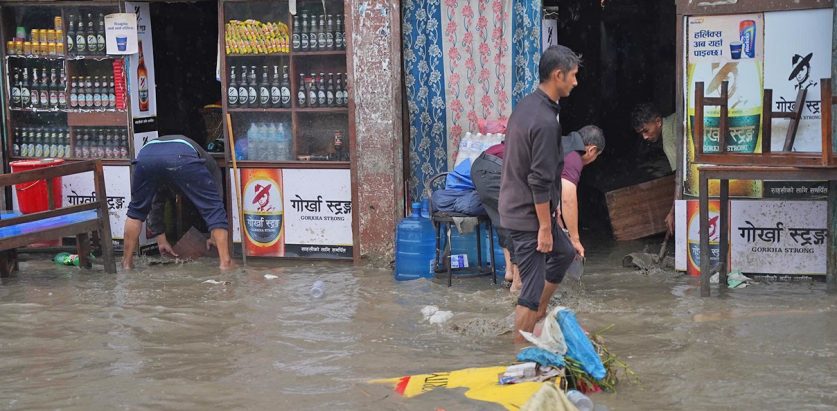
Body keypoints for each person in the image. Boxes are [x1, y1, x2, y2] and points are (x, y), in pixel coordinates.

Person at [499, 45, 580, 344]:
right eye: (572, 76)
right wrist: (545, 227)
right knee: (529, 291)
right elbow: (538, 180)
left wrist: (552, 219)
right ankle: (518, 354)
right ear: (558, 75)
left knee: (565, 253)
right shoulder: (545, 122)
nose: (575, 82)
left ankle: (538, 315)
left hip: (521, 208)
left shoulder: (529, 105)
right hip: (526, 217)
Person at [122, 134, 233, 270]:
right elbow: (215, 202)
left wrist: (160, 238)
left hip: (146, 156)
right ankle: (225, 262)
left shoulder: (166, 173)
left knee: (135, 211)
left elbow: (156, 200)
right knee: (213, 208)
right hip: (181, 155)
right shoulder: (211, 166)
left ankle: (127, 263)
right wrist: (213, 235)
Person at [559, 125, 605, 258]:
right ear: (592, 150)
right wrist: (575, 239)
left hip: (498, 163)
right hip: (501, 169)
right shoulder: (573, 157)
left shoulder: (563, 144)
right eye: (596, 155)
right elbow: (568, 200)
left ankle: (511, 274)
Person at [631, 103, 677, 234]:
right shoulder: (675, 118)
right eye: (641, 133)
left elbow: (679, 178)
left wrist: (673, 212)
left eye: (646, 131)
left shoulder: (669, 140)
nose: (644, 137)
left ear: (658, 122)